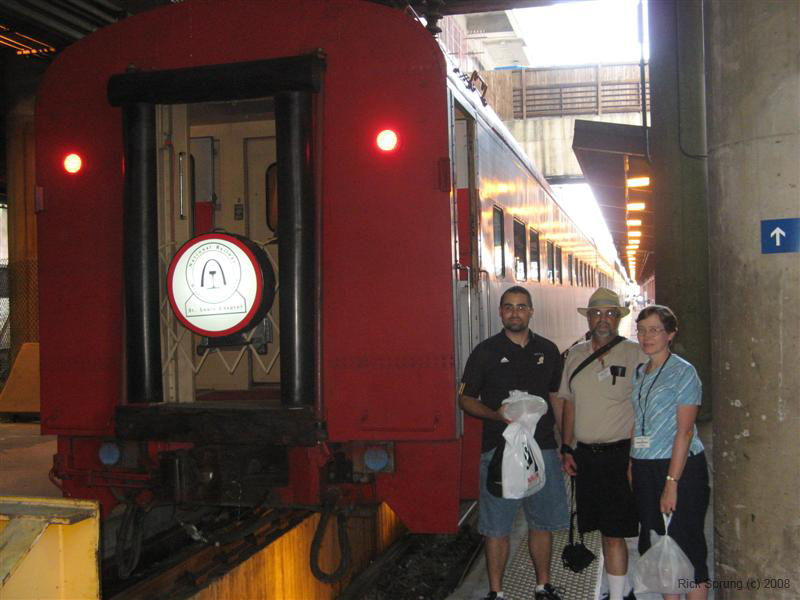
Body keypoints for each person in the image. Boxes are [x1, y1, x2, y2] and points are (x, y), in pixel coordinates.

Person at [459, 286, 568, 600]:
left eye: (521, 307)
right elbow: (465, 399)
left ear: (531, 311)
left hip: (544, 448)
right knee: (496, 527)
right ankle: (496, 593)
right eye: (508, 307)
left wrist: (566, 444)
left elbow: (556, 399)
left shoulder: (548, 350)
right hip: (499, 450)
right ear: (500, 312)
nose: (515, 312)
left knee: (541, 523)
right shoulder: (485, 352)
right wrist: (496, 415)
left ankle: (542, 586)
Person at [558, 287, 645, 600]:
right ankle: (618, 589)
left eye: (610, 313)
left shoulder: (636, 353)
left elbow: (645, 406)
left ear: (619, 319)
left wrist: (638, 456)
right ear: (589, 318)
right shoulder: (575, 356)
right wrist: (566, 448)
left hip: (621, 455)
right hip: (585, 456)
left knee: (615, 532)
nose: (604, 319)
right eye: (597, 313)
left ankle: (619, 595)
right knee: (596, 528)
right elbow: (569, 404)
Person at [630, 305, 710, 600]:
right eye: (641, 330)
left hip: (679, 468)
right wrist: (632, 464)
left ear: (670, 334)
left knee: (687, 548)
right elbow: (638, 421)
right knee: (660, 546)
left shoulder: (684, 372)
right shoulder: (640, 372)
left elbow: (685, 432)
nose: (646, 336)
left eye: (654, 330)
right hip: (645, 466)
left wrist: (671, 483)